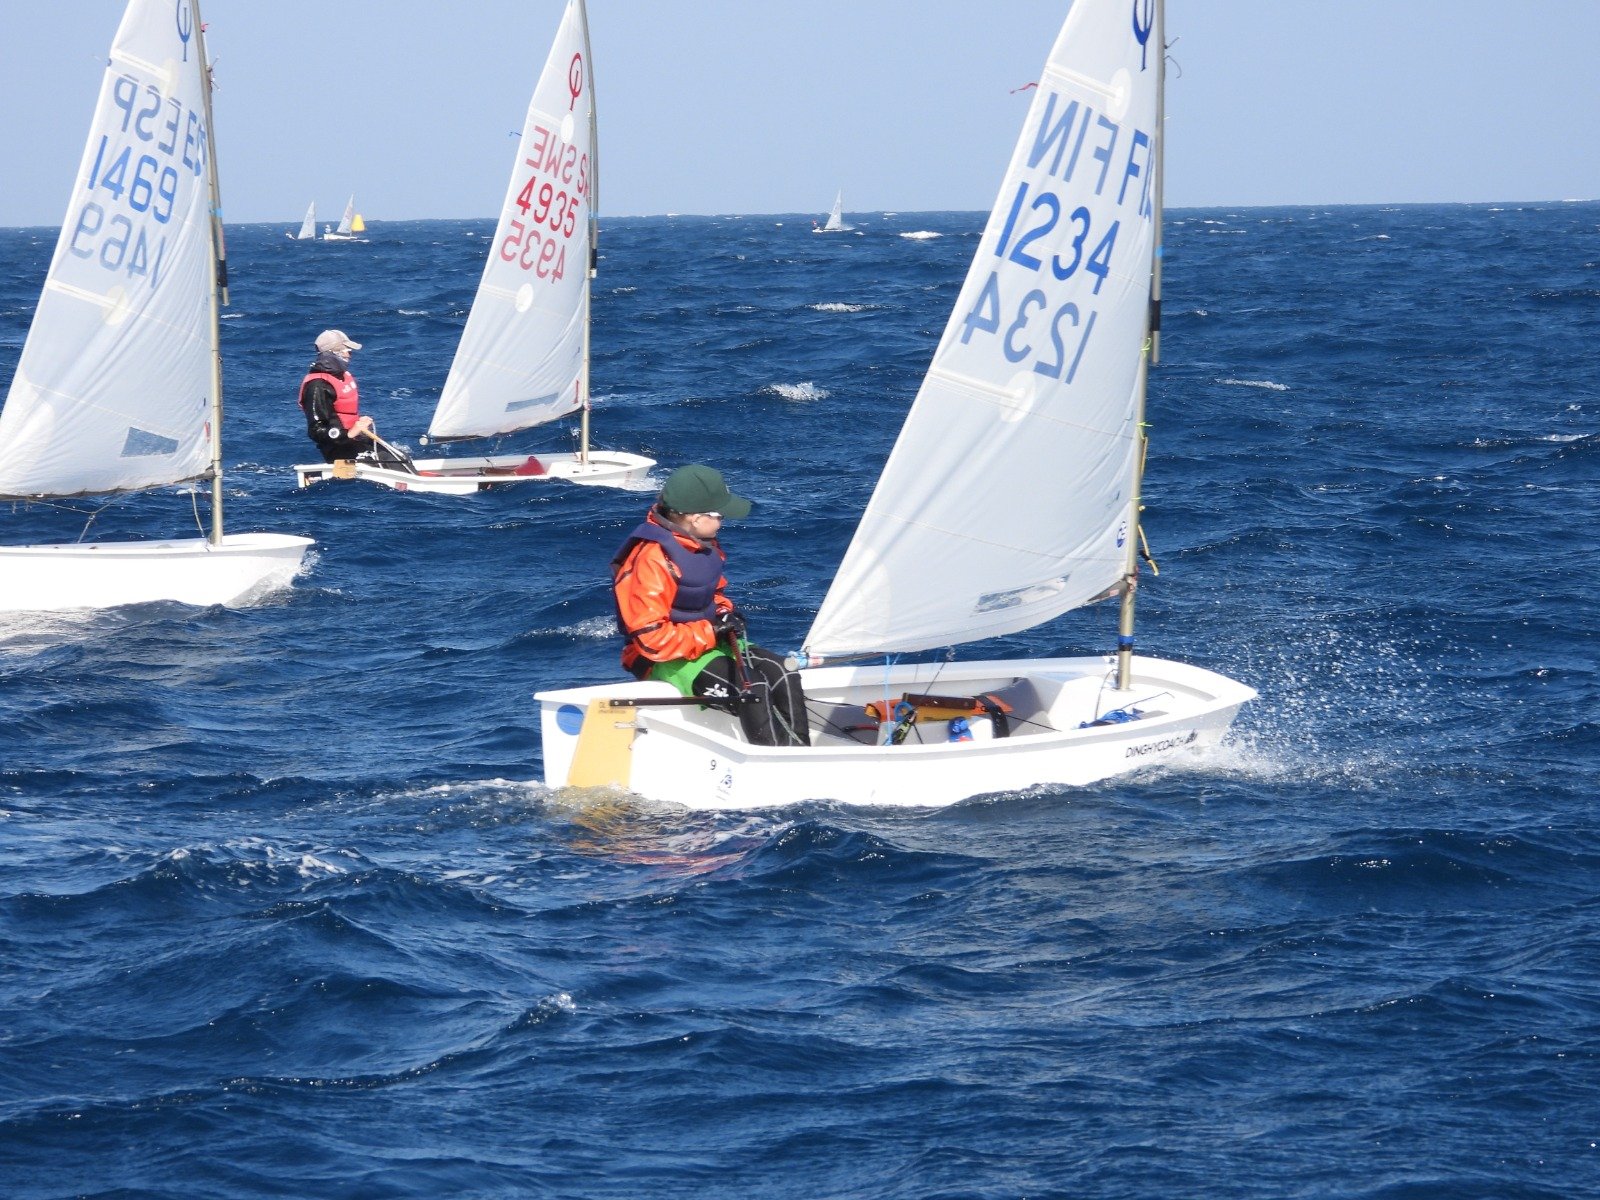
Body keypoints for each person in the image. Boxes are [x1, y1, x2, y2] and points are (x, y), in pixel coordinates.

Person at [612, 465, 811, 748]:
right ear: (694, 519)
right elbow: (651, 640)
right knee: (752, 690)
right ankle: (772, 765)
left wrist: (722, 611)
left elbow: (709, 592)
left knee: (783, 672)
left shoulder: (700, 543)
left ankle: (799, 755)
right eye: (718, 515)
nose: (723, 520)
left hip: (707, 642)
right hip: (664, 660)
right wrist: (711, 629)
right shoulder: (650, 560)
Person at [297, 329, 412, 469]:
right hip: (338, 448)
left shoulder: (341, 376)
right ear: (333, 353)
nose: (350, 355)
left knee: (400, 457)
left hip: (356, 440)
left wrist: (358, 426)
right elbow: (316, 430)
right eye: (347, 350)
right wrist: (350, 433)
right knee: (387, 461)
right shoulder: (318, 385)